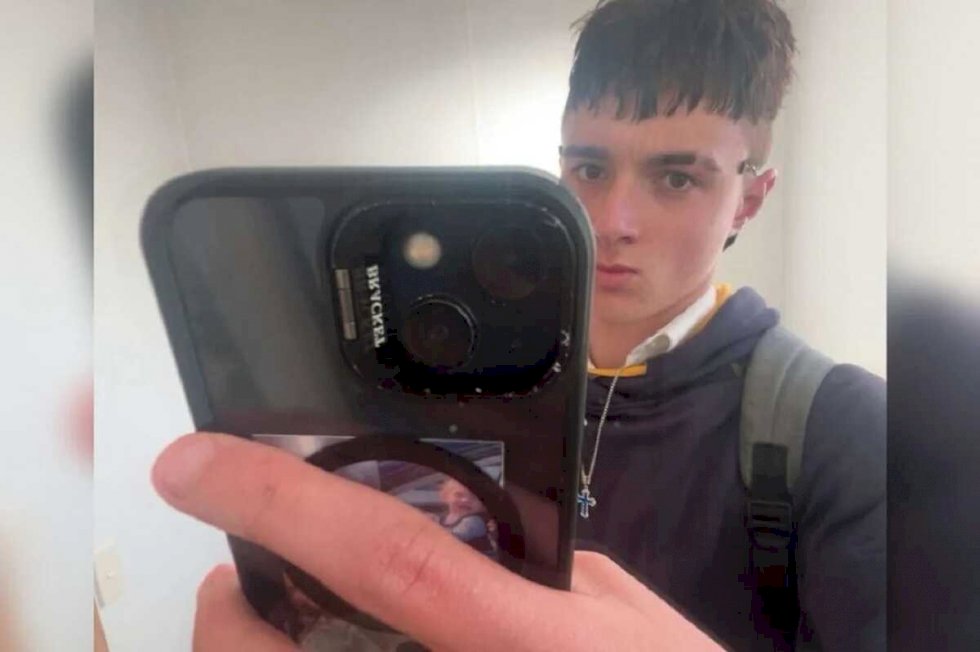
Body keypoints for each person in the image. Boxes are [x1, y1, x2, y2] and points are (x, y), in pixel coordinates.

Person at [153, 1, 883, 650]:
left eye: (676, 178)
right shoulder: (451, 377)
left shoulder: (848, 431)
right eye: (590, 169)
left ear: (750, 200)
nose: (612, 222)